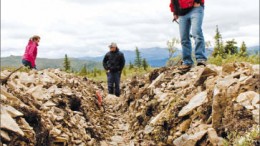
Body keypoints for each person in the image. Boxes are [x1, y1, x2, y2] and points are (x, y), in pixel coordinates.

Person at [170, 0, 207, 72]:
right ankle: (187, 62)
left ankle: (201, 59)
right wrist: (175, 12)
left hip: (195, 8)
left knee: (196, 32)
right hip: (182, 13)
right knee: (184, 38)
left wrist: (198, 1)